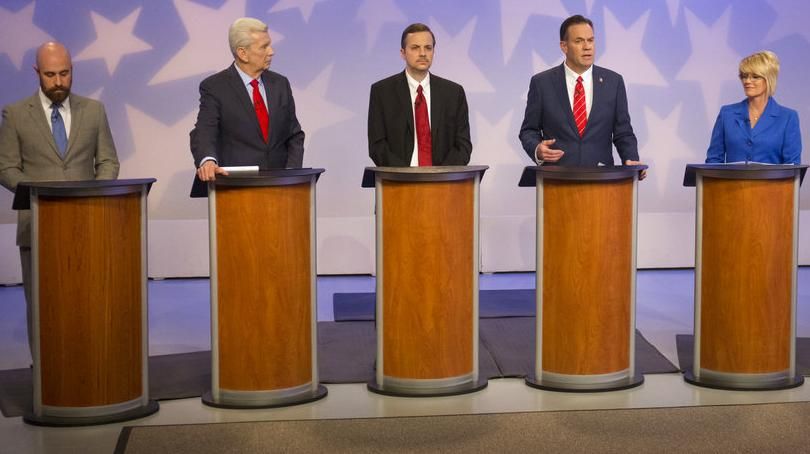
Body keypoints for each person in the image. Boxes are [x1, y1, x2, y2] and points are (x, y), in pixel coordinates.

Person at [0, 41, 120, 353]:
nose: (58, 82)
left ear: (72, 70)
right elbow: (6, 167)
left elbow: (107, 161)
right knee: (42, 305)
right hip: (38, 226)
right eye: (50, 74)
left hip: (87, 222)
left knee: (88, 301)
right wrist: (38, 194)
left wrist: (97, 193)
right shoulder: (15, 114)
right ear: (36, 72)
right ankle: (45, 372)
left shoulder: (94, 111)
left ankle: (90, 364)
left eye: (64, 74)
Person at [519, 14, 645, 178]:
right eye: (579, 41)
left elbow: (623, 132)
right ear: (564, 46)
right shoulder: (542, 83)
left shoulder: (614, 82)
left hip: (602, 180)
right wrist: (537, 149)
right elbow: (529, 130)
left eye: (591, 40)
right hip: (556, 179)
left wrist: (631, 159)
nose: (587, 47)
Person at [191, 17, 304, 181]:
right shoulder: (215, 87)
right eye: (264, 47)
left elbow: (294, 135)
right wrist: (207, 160)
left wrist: (291, 173)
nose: (271, 51)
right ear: (242, 53)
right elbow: (205, 130)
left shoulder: (280, 84)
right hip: (237, 186)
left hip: (281, 186)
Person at [368, 23, 472, 166]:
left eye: (428, 48)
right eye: (415, 47)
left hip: (444, 183)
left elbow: (463, 145)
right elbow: (377, 146)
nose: (423, 53)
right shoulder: (382, 92)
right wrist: (406, 177)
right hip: (398, 182)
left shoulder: (454, 93)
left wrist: (439, 177)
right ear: (402, 53)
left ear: (433, 52)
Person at [706, 51, 801, 164]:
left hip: (772, 182)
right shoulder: (727, 114)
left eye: (755, 77)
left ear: (769, 79)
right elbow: (713, 161)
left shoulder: (788, 117)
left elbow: (792, 166)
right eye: (744, 76)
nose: (747, 81)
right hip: (731, 182)